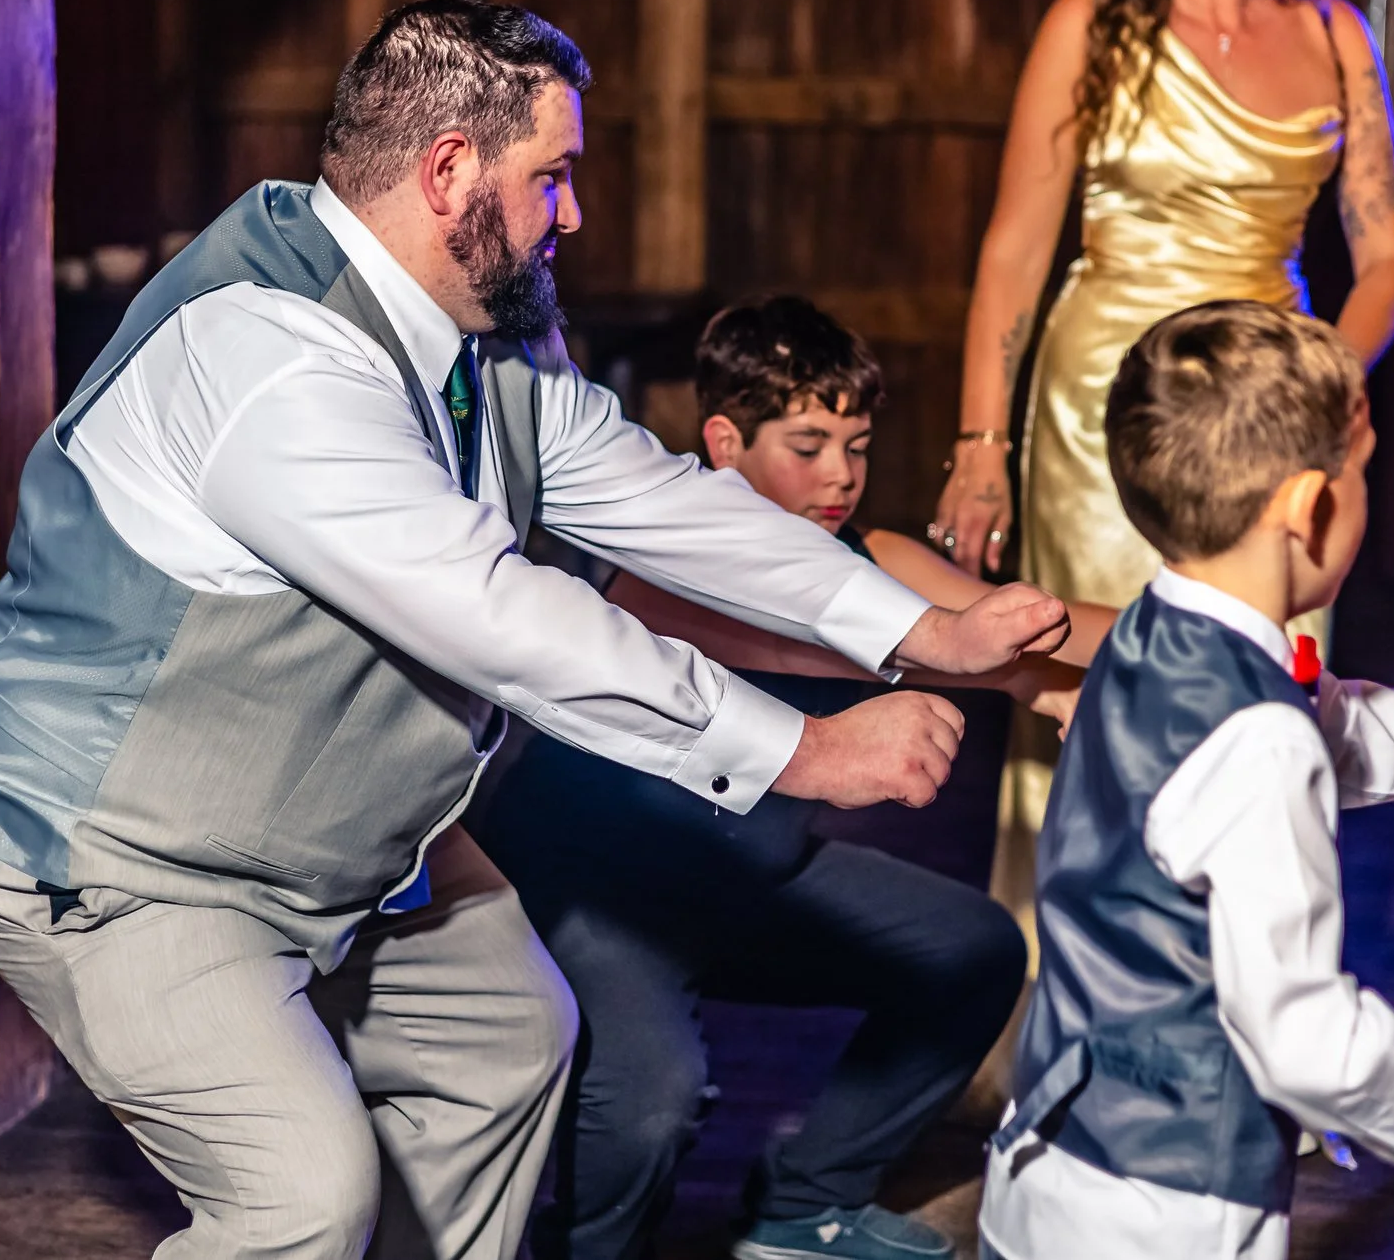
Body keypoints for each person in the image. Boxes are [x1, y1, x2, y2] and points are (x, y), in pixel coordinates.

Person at [0, 0, 1069, 1260]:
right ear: (451, 169)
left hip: (327, 838)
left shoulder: (482, 328)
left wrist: (920, 631)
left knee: (511, 1035)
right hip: (113, 857)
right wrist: (809, 752)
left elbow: (653, 499)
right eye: (553, 176)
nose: (573, 212)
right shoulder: (272, 364)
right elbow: (507, 620)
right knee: (301, 1193)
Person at [977, 301, 1394, 1260]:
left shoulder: (1149, 638)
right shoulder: (1253, 730)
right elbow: (1302, 1031)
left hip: (1046, 1168)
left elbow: (1353, 729)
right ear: (1310, 507)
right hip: (1167, 1209)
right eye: (1362, 470)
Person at [471, 297, 1112, 1260]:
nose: (840, 475)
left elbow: (1035, 619)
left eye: (856, 445)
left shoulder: (872, 555)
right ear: (726, 441)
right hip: (602, 906)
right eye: (808, 444)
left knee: (975, 946)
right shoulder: (655, 559)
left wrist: (1215, 618)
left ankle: (803, 1204)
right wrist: (998, 670)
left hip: (748, 887)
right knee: (654, 1097)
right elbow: (795, 637)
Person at [930, 0, 1394, 946]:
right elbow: (1013, 248)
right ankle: (1077, 1002)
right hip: (1106, 411)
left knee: (1266, 695)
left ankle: (1259, 996)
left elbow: (1389, 249)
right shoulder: (1087, 21)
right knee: (1102, 687)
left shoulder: (1335, 36)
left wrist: (1320, 383)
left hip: (1279, 421)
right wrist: (979, 447)